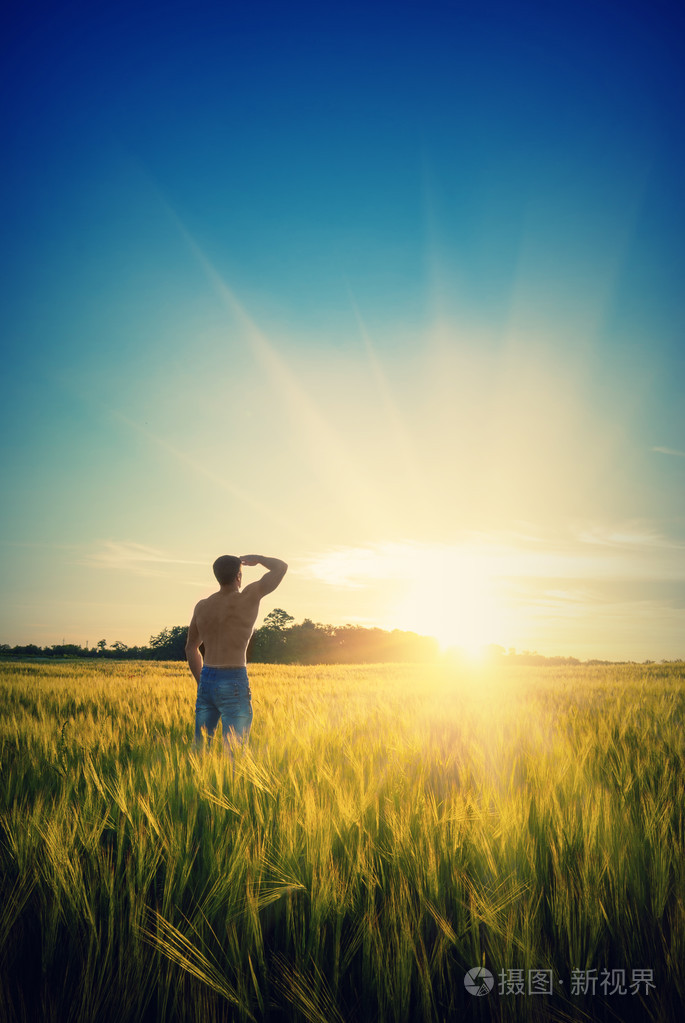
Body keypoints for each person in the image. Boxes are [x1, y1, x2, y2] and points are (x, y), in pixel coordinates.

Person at [186, 553, 287, 748]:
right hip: (233, 679)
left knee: (200, 749)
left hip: (207, 678)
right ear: (238, 577)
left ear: (217, 576)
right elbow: (281, 567)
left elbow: (191, 648)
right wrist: (258, 559)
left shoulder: (202, 606)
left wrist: (202, 682)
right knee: (235, 752)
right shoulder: (249, 596)